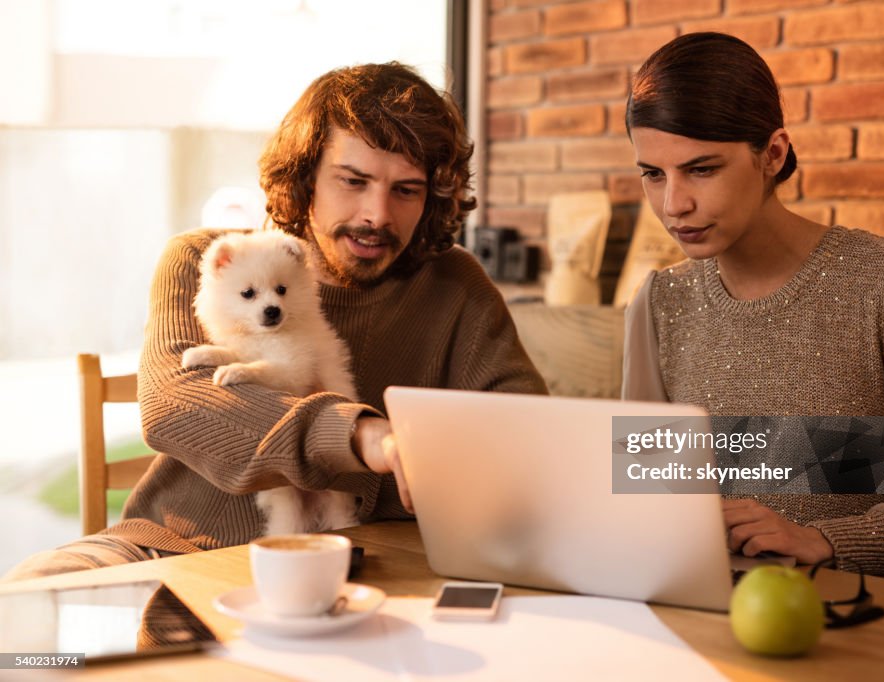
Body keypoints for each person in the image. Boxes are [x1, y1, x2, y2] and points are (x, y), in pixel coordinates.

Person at [5, 62, 546, 581]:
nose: (378, 214)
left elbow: (532, 430)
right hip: (168, 547)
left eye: (406, 190)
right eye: (353, 181)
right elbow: (175, 405)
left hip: (363, 553)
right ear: (306, 176)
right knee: (33, 611)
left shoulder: (455, 284)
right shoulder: (206, 259)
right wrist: (359, 435)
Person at [621, 33, 884, 581]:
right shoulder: (659, 303)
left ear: (772, 153)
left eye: (702, 169)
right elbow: (647, 493)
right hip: (707, 611)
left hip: (864, 613)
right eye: (653, 174)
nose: (674, 204)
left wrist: (824, 539)